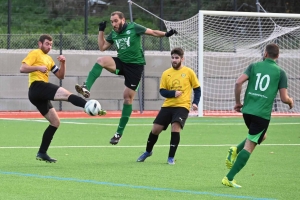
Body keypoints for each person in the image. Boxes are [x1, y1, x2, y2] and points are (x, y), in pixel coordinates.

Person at [75, 11, 178, 145]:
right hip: (122, 63)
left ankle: (119, 133)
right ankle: (86, 87)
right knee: (101, 60)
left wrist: (166, 34)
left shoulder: (133, 27)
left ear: (123, 20)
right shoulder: (114, 33)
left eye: (116, 21)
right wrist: (101, 31)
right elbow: (102, 47)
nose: (114, 24)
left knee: (127, 98)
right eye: (112, 22)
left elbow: (152, 32)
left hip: (135, 68)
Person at [20, 34, 106, 163]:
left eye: (51, 44)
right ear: (40, 44)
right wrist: (37, 67)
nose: (49, 46)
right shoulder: (35, 53)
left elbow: (60, 75)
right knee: (67, 95)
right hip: (37, 86)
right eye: (47, 44)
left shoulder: (49, 59)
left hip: (38, 95)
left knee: (55, 122)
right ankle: (87, 105)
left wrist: (63, 63)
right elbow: (22, 68)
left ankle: (42, 153)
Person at [222, 43, 294, 188]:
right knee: (250, 146)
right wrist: (291, 102)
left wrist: (238, 102)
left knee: (262, 136)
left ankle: (235, 149)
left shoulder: (254, 66)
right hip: (261, 115)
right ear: (277, 56)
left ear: (265, 54)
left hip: (247, 112)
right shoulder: (281, 73)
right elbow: (284, 98)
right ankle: (229, 178)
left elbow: (238, 82)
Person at [136, 47, 201, 165]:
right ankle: (148, 151)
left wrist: (195, 102)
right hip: (168, 106)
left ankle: (171, 157)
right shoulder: (166, 73)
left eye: (177, 58)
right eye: (173, 58)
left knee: (175, 127)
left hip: (182, 106)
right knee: (155, 129)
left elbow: (197, 89)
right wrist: (173, 93)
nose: (174, 60)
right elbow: (162, 91)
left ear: (182, 59)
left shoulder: (189, 72)